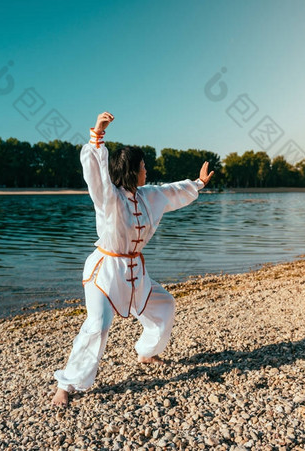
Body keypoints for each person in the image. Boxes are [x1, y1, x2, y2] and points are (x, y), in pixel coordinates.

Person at [52, 111, 214, 407]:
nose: (146, 170)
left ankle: (147, 352)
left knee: (165, 305)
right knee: (98, 325)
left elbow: (173, 191)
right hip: (105, 273)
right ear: (131, 170)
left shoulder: (148, 196)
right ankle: (67, 384)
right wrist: (98, 137)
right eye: (142, 166)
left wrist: (198, 184)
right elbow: (95, 176)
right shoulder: (108, 198)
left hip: (135, 273)